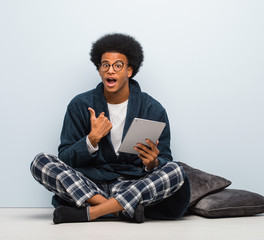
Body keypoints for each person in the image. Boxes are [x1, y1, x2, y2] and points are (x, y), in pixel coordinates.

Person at [30, 33, 190, 224]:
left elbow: (165, 159)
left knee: (175, 170)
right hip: (89, 185)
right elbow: (64, 157)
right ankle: (117, 210)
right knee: (40, 162)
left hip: (131, 186)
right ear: (99, 70)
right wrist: (91, 140)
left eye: (117, 65)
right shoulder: (80, 104)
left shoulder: (152, 109)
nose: (110, 71)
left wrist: (152, 163)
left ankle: (93, 213)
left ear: (129, 71)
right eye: (105, 65)